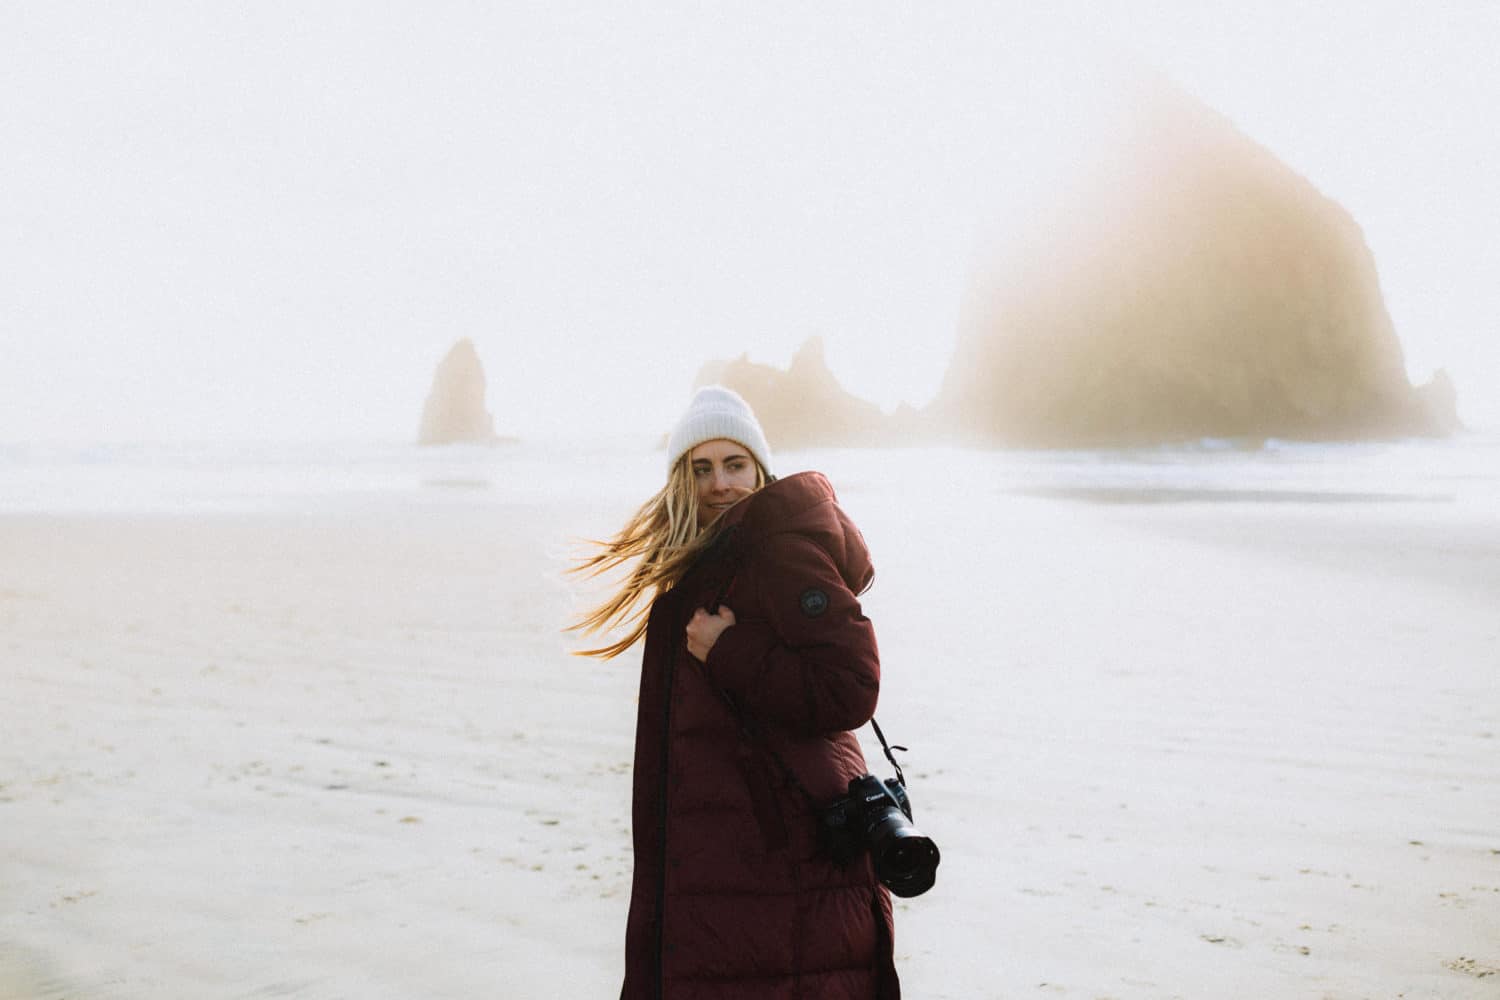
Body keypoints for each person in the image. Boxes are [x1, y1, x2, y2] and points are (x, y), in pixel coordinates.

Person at [570, 385, 900, 1000]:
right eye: (701, 468)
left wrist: (732, 652)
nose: (720, 483)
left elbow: (853, 686)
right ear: (679, 480)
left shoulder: (778, 553)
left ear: (760, 468)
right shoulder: (704, 560)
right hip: (729, 868)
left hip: (779, 868)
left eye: (734, 464)